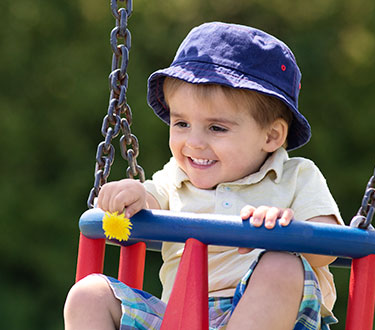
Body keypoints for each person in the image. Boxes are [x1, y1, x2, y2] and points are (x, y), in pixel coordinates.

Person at [64, 21, 344, 330]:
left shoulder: (296, 176)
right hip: (180, 317)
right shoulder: (176, 176)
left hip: (273, 316)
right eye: (181, 123)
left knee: (282, 265)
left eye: (216, 128)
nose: (194, 142)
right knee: (88, 294)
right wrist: (131, 194)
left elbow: (327, 247)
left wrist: (285, 228)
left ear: (271, 136)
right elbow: (149, 201)